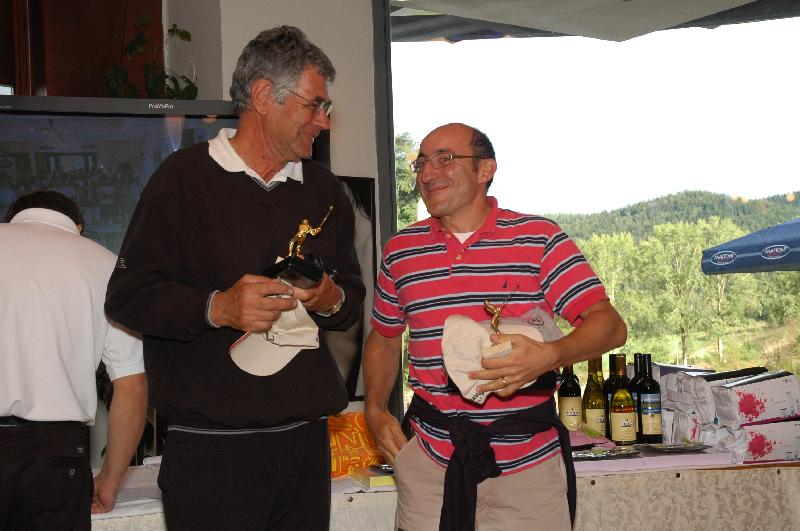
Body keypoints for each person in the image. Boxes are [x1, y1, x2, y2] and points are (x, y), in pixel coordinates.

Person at [104, 26, 365, 530]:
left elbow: (351, 302)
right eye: (314, 104)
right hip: (212, 452)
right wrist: (218, 308)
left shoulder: (325, 190)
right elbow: (128, 297)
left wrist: (330, 298)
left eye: (326, 107)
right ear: (264, 96)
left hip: (307, 444)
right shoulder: (182, 180)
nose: (324, 120)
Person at [364, 123, 627, 531]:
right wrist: (375, 409)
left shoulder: (539, 239)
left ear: (485, 169)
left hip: (528, 471)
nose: (427, 173)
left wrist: (550, 355)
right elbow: (384, 336)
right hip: (430, 466)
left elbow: (610, 326)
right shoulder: (401, 251)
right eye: (421, 163)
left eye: (444, 159)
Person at [0, 191, 146, 531]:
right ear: (79, 226)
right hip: (53, 456)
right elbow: (133, 386)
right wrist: (110, 480)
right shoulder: (108, 266)